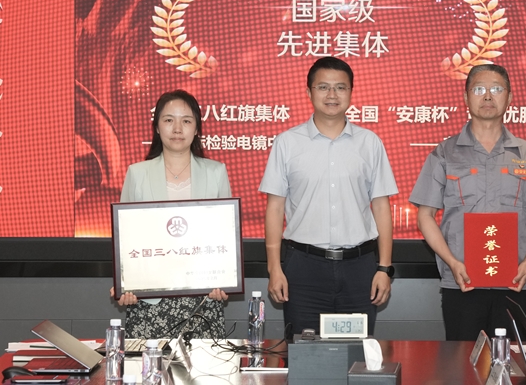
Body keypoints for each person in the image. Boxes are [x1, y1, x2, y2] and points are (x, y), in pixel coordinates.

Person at [409, 64, 526, 341]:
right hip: (462, 283)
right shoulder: (444, 153)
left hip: (515, 283)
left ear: (509, 97)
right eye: (479, 89)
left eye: (496, 89)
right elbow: (425, 215)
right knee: (462, 361)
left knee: (512, 361)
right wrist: (452, 262)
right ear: (465, 97)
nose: (487, 96)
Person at [259, 57, 398, 337]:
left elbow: (381, 208)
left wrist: (384, 268)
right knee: (304, 356)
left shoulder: (369, 143)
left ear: (351, 92)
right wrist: (275, 269)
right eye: (323, 87)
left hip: (360, 268)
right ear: (309, 92)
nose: (332, 94)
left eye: (340, 87)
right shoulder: (287, 143)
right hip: (304, 268)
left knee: (355, 355)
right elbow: (275, 209)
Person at [111, 89, 231, 339]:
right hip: (149, 300)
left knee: (204, 364)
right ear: (157, 127)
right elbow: (126, 237)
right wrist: (124, 283)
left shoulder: (216, 172)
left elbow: (224, 236)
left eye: (186, 121)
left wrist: (225, 280)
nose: (177, 129)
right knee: (148, 364)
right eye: (168, 120)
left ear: (196, 128)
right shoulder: (137, 173)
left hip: (203, 298)